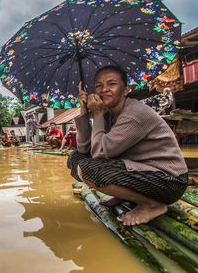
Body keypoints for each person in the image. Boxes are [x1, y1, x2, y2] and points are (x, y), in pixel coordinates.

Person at [67, 65, 188, 226]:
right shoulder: (109, 113)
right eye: (99, 85)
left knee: (89, 169)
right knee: (75, 158)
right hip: (141, 172)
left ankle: (152, 204)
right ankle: (126, 195)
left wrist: (96, 115)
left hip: (169, 181)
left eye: (111, 84)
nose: (104, 90)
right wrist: (84, 110)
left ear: (125, 89)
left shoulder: (134, 113)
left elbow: (100, 153)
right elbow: (84, 149)